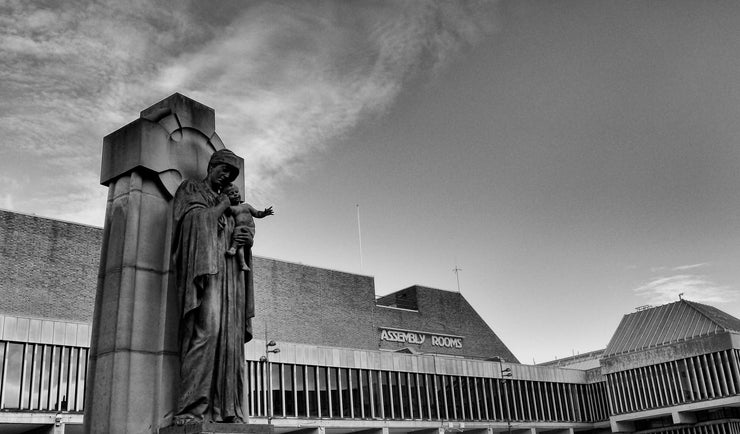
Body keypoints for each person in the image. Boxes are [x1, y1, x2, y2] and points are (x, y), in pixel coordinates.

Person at [171, 149, 254, 425]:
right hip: (207, 274)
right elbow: (191, 224)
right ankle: (190, 407)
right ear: (212, 167)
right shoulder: (192, 189)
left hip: (230, 277)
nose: (226, 177)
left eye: (231, 175)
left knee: (230, 340)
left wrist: (245, 237)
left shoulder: (230, 202)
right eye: (223, 170)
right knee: (208, 331)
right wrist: (220, 205)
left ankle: (227, 409)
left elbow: (237, 231)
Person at [223, 183, 274, 271]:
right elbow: (226, 211)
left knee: (241, 242)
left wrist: (264, 213)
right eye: (231, 193)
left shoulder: (247, 206)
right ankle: (241, 262)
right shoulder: (231, 208)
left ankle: (234, 249)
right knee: (240, 244)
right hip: (239, 228)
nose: (235, 194)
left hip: (250, 229)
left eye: (236, 192)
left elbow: (257, 213)